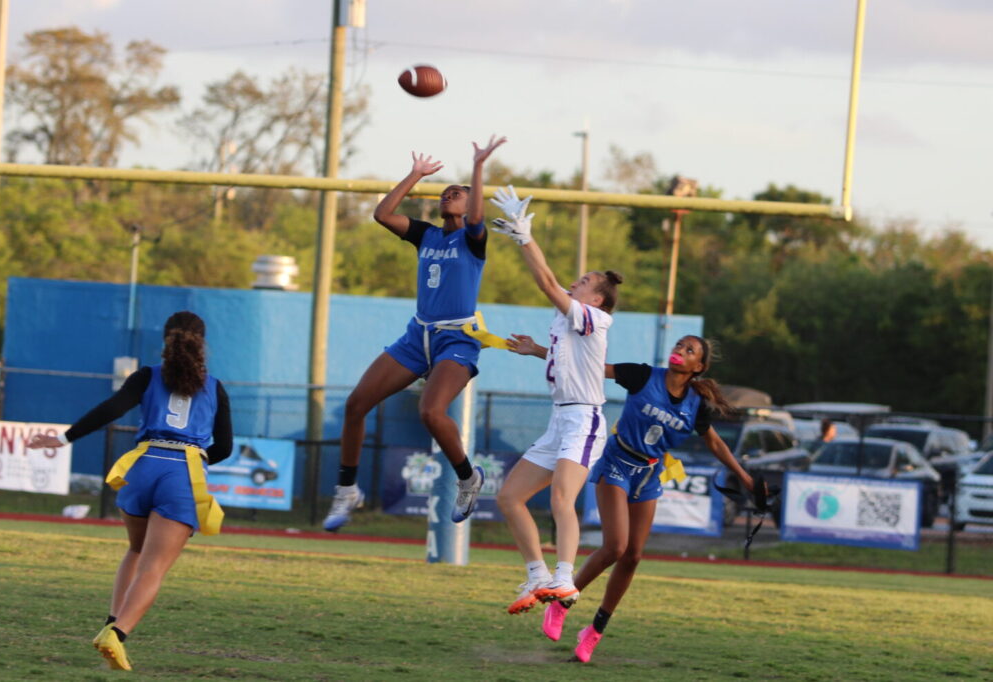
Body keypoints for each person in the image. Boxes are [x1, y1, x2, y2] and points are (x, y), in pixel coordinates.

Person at [27, 311, 233, 671]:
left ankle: (110, 620)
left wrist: (62, 438)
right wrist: (196, 462)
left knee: (137, 549)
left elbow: (111, 409)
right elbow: (226, 447)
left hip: (143, 465)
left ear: (166, 338)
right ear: (203, 342)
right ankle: (117, 634)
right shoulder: (214, 387)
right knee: (154, 566)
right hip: (183, 471)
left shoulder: (146, 375)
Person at [323, 135, 507, 532]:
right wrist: (414, 174)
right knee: (356, 405)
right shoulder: (427, 234)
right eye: (444, 192)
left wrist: (478, 165)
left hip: (456, 337)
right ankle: (347, 489)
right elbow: (382, 214)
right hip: (416, 335)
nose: (448, 196)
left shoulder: (472, 240)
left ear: (470, 201)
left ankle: (467, 477)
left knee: (430, 411)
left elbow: (477, 217)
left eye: (457, 193)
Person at [540, 335, 757, 663]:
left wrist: (744, 476)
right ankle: (562, 602)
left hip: (649, 474)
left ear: (698, 366)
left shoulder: (695, 404)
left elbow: (715, 444)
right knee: (616, 547)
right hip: (616, 462)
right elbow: (589, 369)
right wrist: (539, 351)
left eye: (689, 350)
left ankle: (594, 631)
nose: (679, 351)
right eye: (679, 345)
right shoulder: (642, 375)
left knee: (634, 556)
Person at [488, 185, 623, 615]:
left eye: (583, 282)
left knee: (561, 499)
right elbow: (576, 364)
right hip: (560, 420)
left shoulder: (593, 316)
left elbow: (545, 281)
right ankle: (538, 575)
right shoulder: (571, 322)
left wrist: (524, 234)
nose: (573, 283)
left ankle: (565, 579)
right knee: (509, 497)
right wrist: (537, 352)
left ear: (597, 299)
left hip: (584, 420)